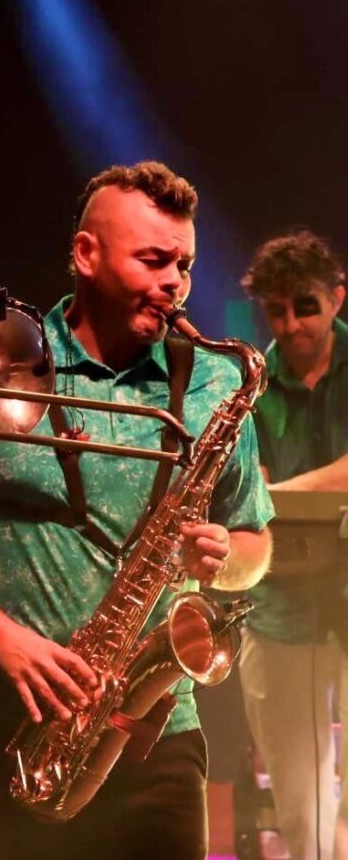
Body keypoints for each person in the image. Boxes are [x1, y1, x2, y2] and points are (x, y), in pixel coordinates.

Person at [0, 161, 275, 859]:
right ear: (84, 254)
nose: (175, 284)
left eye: (185, 266)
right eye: (153, 259)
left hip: (152, 739)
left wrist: (228, 558)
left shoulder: (218, 383)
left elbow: (257, 544)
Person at [237, 230, 346, 860]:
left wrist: (279, 496)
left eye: (305, 306)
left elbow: (264, 494)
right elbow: (241, 487)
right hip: (277, 606)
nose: (292, 324)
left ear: (336, 298)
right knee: (300, 810)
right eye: (276, 311)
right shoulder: (248, 384)